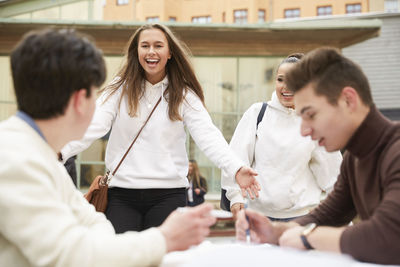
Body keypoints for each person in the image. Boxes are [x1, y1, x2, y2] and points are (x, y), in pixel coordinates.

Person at [0, 28, 217, 267]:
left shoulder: (37, 153)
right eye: (95, 95)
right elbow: (67, 256)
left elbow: (88, 220)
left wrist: (112, 247)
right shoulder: (15, 161)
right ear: (79, 101)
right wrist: (163, 239)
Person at [60, 23, 259, 233]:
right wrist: (60, 152)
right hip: (122, 194)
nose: (151, 51)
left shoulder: (183, 93)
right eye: (144, 46)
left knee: (164, 260)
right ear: (136, 52)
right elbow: (93, 125)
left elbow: (207, 136)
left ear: (170, 52)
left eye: (158, 45)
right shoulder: (119, 89)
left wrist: (235, 168)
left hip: (169, 195)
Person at [235, 47, 400, 265]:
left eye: (311, 114)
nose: (304, 131)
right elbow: (327, 215)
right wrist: (274, 232)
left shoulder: (395, 152)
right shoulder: (355, 159)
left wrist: (307, 237)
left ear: (348, 100)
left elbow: (389, 236)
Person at [222, 53, 342, 220]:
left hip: (301, 218)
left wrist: (344, 216)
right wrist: (235, 197)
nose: (286, 86)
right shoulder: (257, 114)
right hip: (257, 216)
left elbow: (332, 175)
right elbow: (235, 158)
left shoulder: (315, 122)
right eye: (280, 79)